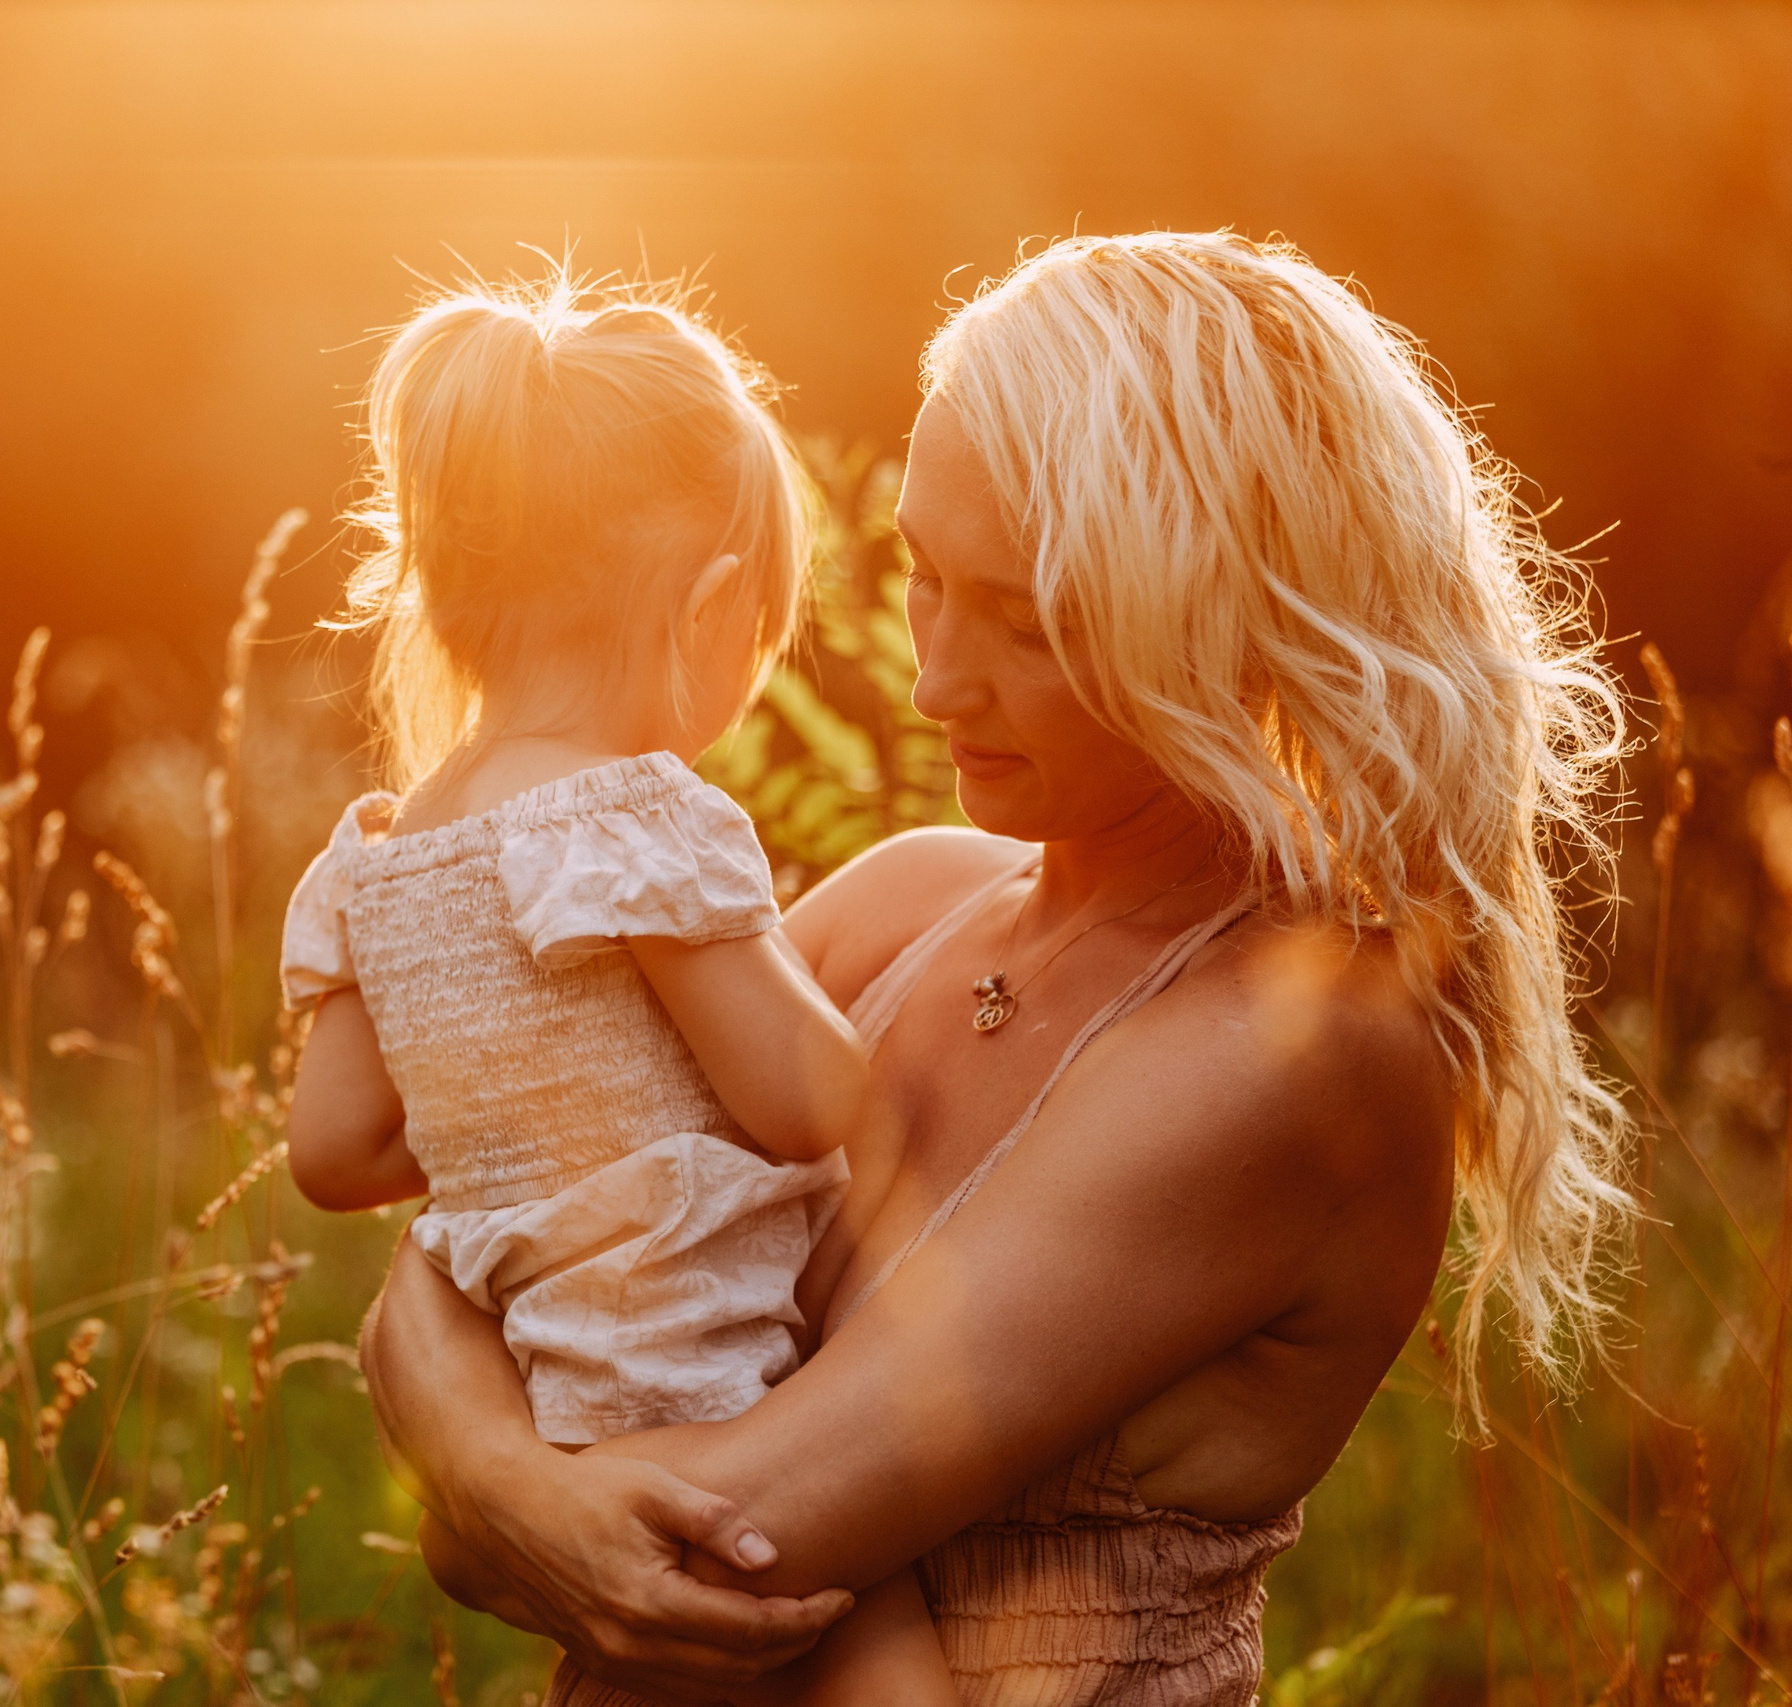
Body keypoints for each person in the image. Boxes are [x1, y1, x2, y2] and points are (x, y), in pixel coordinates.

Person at [358, 231, 1638, 1706]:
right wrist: (504, 1485)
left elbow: (717, 1550)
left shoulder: (1303, 1044)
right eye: (922, 578)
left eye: (1030, 623)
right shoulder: (907, 903)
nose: (934, 680)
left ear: (1224, 624)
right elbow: (473, 1233)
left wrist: (484, 1476)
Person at [279, 272, 960, 1703]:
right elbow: (798, 1104)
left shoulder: (375, 860)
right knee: (888, 1645)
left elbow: (334, 1155)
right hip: (722, 1387)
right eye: (757, 641)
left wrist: (503, 1113)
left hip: (555, 1414)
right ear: (711, 609)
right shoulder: (634, 820)